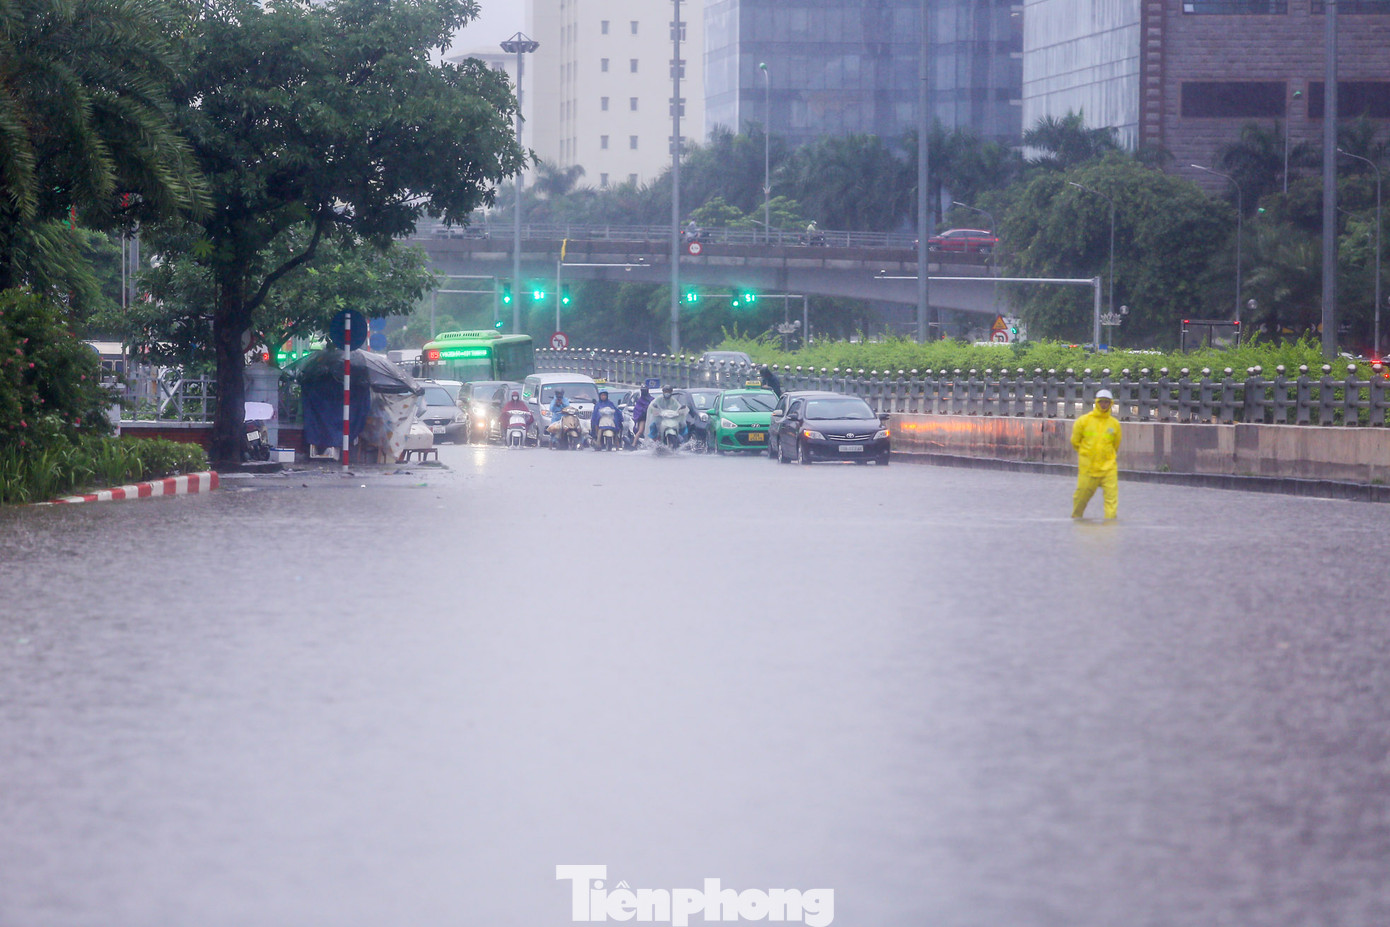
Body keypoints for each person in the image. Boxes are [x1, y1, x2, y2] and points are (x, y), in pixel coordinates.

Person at [1071, 388, 1122, 520]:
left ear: (1110, 404)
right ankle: (1076, 519)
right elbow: (1075, 441)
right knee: (1081, 498)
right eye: (1101, 402)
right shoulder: (1083, 421)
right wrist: (1086, 454)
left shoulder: (1114, 424)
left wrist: (1107, 457)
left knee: (1111, 501)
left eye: (1106, 402)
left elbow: (1115, 445)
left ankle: (1110, 530)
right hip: (1088, 469)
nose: (1104, 404)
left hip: (1108, 468)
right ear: (1096, 402)